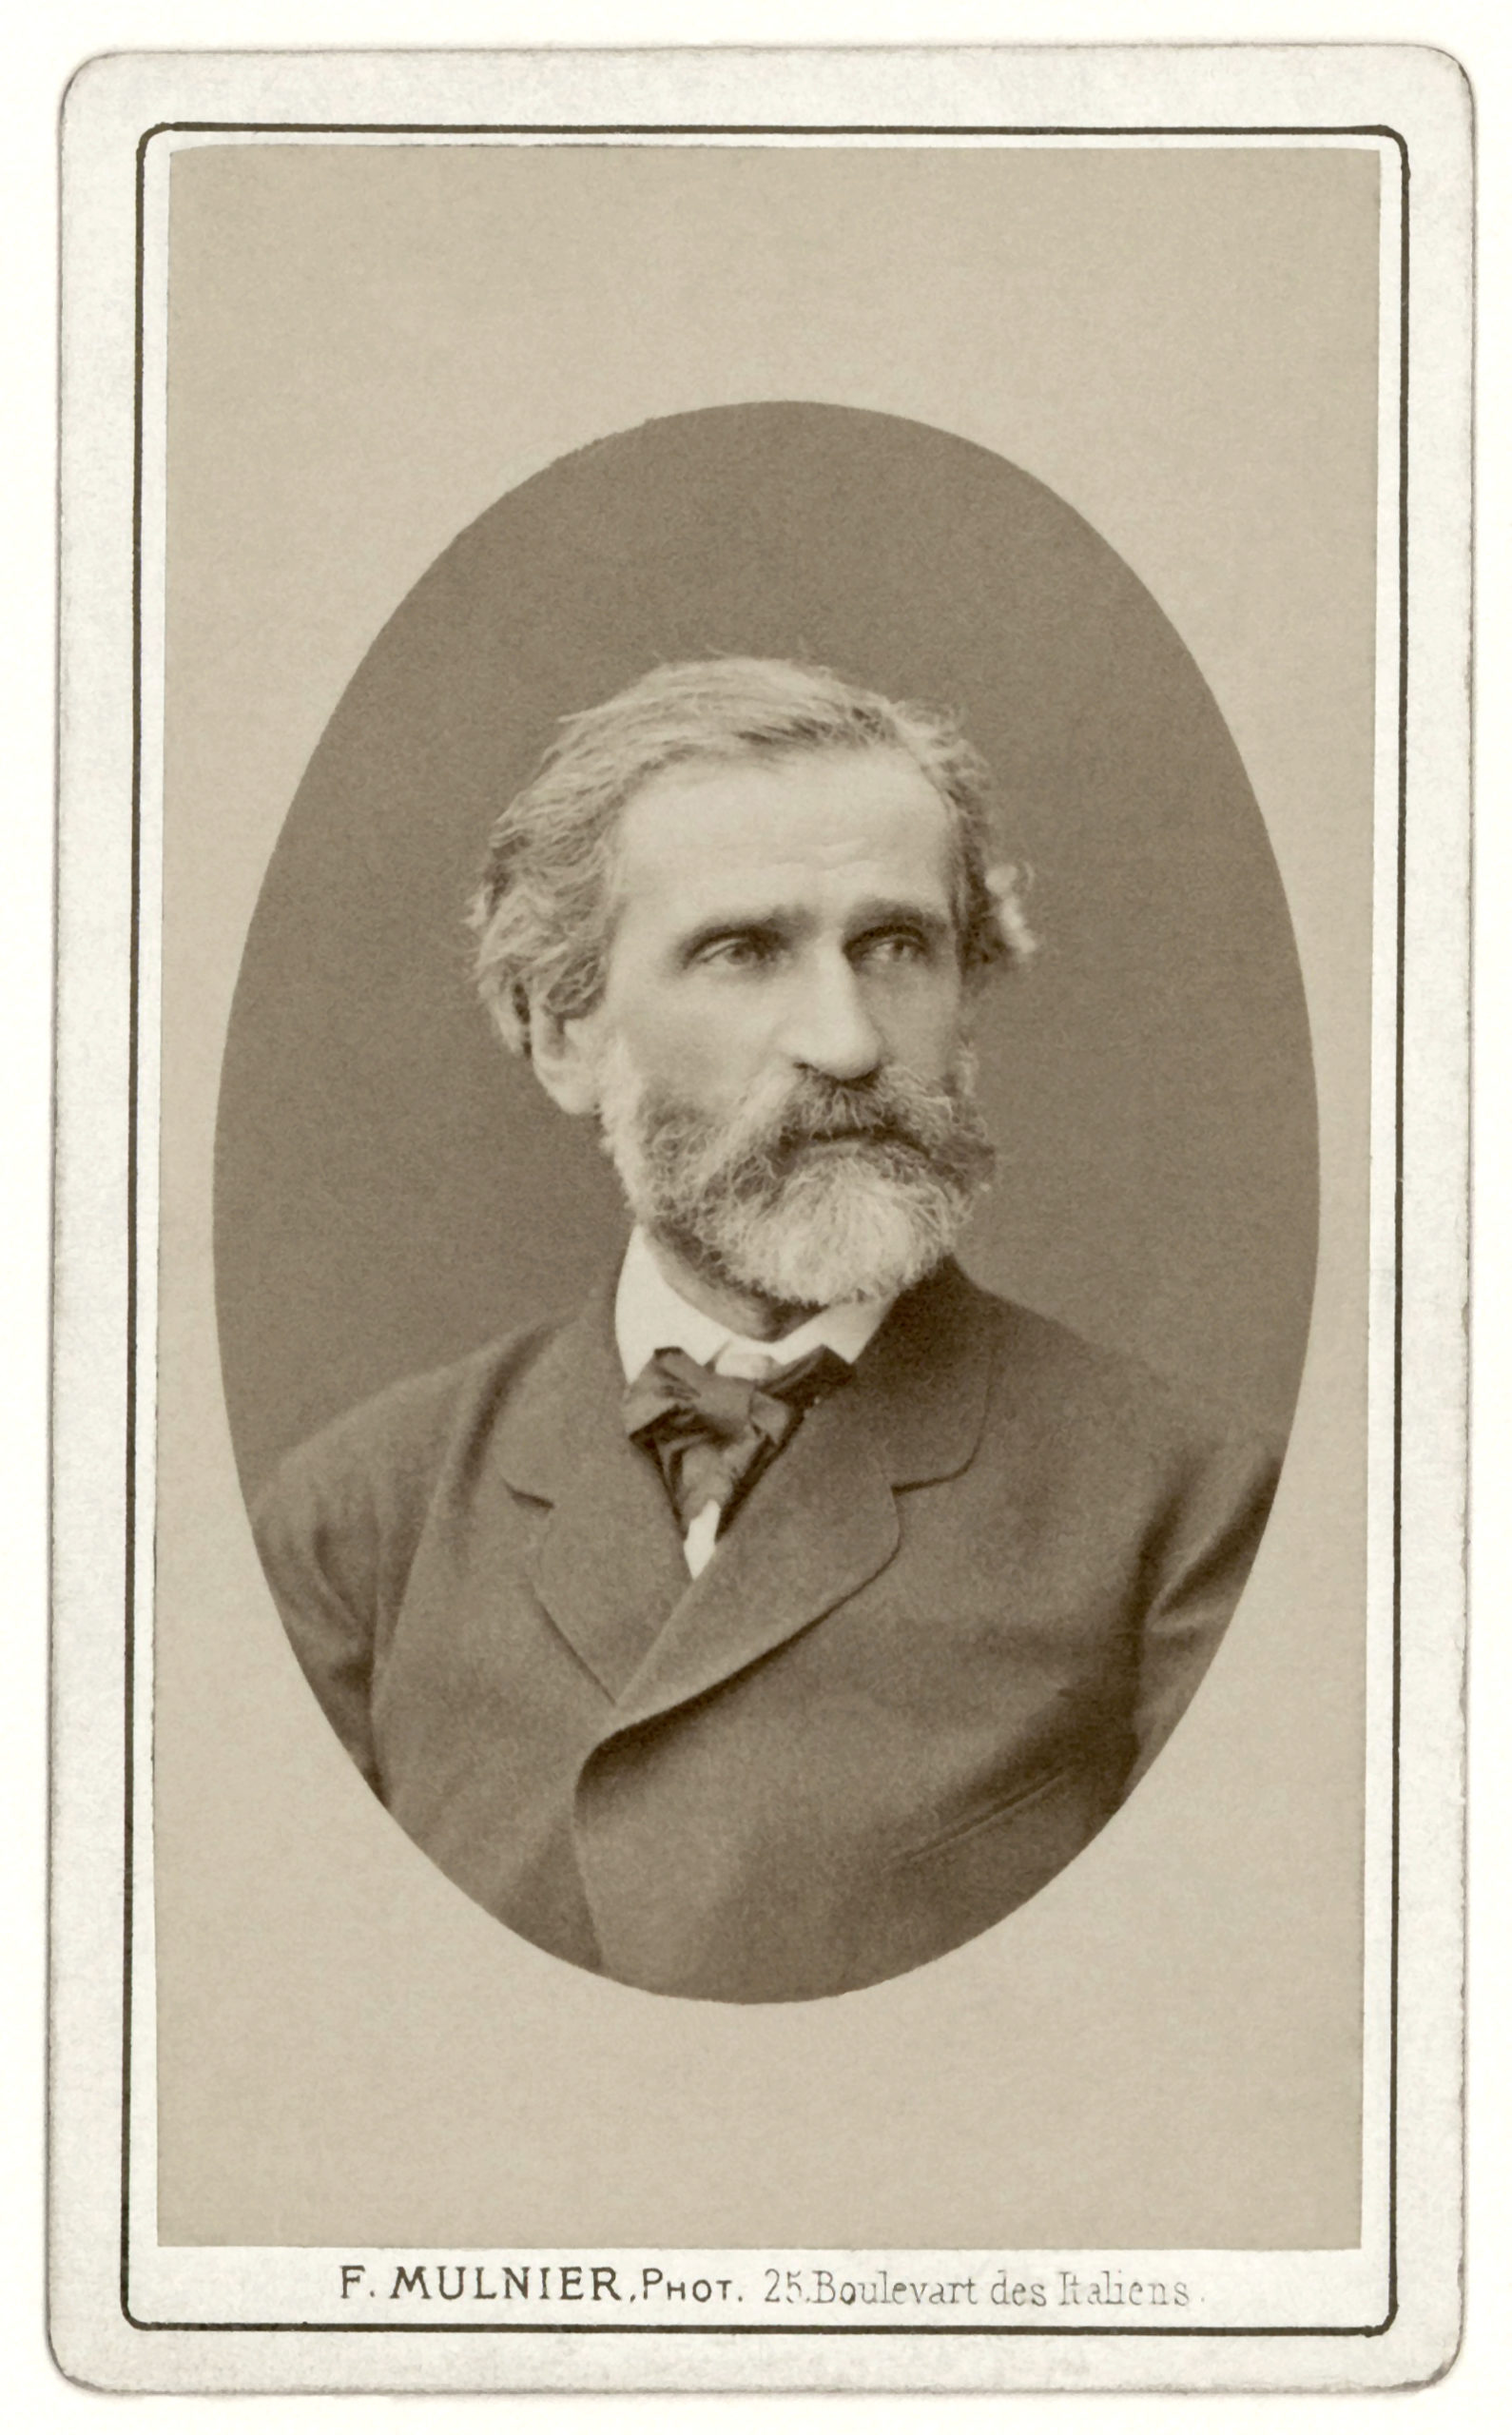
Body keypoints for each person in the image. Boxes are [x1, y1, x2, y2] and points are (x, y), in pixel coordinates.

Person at [253, 657, 1279, 2003]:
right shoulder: (358, 1523)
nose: (847, 1043)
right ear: (560, 1033)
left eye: (895, 946)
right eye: (742, 952)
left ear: (969, 991)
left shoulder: (1190, 1511)